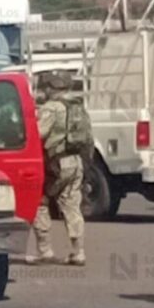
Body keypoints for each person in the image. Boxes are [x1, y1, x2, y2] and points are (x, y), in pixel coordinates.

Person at [27, 70, 90, 266]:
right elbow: (88, 139)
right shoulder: (78, 107)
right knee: (71, 206)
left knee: (40, 202)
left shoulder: (51, 108)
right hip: (76, 162)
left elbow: (37, 134)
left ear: (51, 88)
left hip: (56, 163)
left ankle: (45, 250)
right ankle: (78, 252)